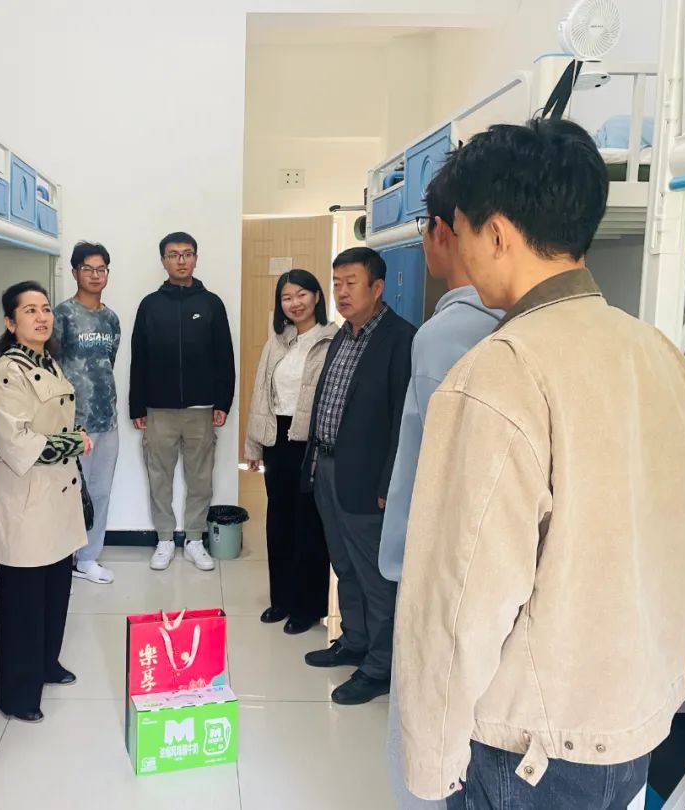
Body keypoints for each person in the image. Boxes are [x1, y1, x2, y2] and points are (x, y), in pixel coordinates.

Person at [395, 119, 685, 809]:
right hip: (632, 724)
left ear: (496, 234)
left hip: (528, 749)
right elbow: (678, 526)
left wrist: (431, 760)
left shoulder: (500, 372)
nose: (459, 248)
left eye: (461, 229)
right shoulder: (658, 354)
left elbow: (460, 599)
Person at [378, 167, 502, 810]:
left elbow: (436, 465)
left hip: (441, 566)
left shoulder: (443, 335)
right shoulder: (520, 322)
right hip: (494, 567)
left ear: (442, 233)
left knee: (425, 726)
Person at [301, 246, 414, 706]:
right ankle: (355, 639)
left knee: (375, 576)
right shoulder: (341, 336)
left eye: (351, 283)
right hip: (329, 467)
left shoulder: (400, 340)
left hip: (369, 480)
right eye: (337, 283)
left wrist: (389, 484)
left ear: (377, 287)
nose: (341, 292)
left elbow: (403, 420)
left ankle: (380, 665)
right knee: (344, 564)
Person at [0, 281, 90, 724]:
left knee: (55, 591)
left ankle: (46, 663)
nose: (42, 317)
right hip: (27, 499)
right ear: (10, 323)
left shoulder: (48, 361)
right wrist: (76, 442)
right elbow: (19, 442)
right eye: (29, 311)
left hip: (58, 498)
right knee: (24, 603)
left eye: (45, 308)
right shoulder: (7, 372)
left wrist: (71, 440)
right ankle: (16, 694)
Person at [129, 231, 235, 572]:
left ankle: (194, 539)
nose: (181, 260)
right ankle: (163, 539)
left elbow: (224, 356)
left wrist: (223, 402)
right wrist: (137, 405)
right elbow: (139, 357)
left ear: (195, 258)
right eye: (173, 254)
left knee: (200, 478)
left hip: (201, 409)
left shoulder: (211, 304)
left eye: (187, 254)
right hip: (158, 409)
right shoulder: (150, 305)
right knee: (158, 477)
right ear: (163, 261)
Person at [244, 269, 337, 635]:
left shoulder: (332, 339)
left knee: (309, 523)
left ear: (316, 296)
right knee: (279, 520)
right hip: (277, 440)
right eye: (287, 297)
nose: (294, 303)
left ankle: (306, 606)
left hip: (311, 442)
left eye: (301, 294)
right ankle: (280, 599)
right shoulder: (278, 341)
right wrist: (254, 444)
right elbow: (261, 394)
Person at [53, 242, 121, 585]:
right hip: (73, 423)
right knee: (70, 493)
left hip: (107, 420)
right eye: (88, 269)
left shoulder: (111, 319)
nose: (95, 275)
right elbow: (52, 367)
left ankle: (88, 558)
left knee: (101, 491)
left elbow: (109, 363)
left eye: (101, 269)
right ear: (75, 272)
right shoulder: (61, 315)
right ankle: (63, 558)